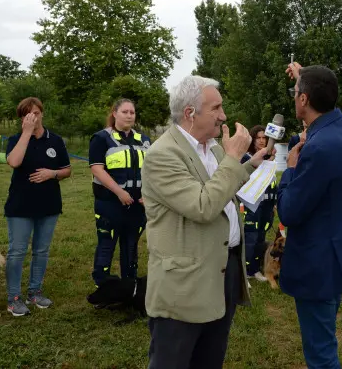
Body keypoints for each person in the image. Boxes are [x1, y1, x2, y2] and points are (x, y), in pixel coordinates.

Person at [141, 75, 269, 369]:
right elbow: (202, 205)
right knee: (173, 360)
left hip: (224, 267)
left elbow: (222, 186)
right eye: (217, 108)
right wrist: (235, 157)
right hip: (184, 285)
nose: (223, 116)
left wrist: (251, 164)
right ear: (190, 113)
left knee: (211, 357)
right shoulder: (163, 155)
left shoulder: (212, 148)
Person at [277, 63, 342, 369]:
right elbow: (325, 105)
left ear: (304, 100)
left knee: (321, 353)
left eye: (296, 93)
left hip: (318, 266)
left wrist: (289, 170)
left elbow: (289, 211)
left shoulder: (319, 149)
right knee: (326, 336)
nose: (294, 97)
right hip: (339, 254)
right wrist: (304, 76)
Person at [4, 97, 71, 317]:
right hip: (20, 206)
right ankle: (14, 298)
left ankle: (35, 292)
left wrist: (52, 174)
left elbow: (67, 169)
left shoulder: (56, 140)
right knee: (17, 251)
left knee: (41, 251)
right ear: (22, 119)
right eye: (26, 114)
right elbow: (14, 162)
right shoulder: (15, 139)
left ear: (42, 113)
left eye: (35, 113)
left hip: (48, 204)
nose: (32, 117)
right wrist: (26, 133)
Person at [89, 99, 151, 287]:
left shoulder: (145, 140)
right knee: (106, 246)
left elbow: (152, 170)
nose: (129, 115)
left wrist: (147, 195)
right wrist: (119, 192)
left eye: (132, 112)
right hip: (110, 203)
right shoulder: (101, 138)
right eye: (125, 112)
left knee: (131, 247)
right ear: (114, 113)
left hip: (137, 205)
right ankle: (103, 287)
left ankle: (129, 287)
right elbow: (97, 169)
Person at [241, 125, 278, 284]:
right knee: (251, 238)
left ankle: (254, 269)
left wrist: (274, 202)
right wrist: (267, 161)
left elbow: (271, 182)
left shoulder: (270, 159)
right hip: (252, 205)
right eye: (259, 138)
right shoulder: (246, 158)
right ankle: (244, 273)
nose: (262, 141)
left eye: (265, 138)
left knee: (261, 238)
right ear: (253, 140)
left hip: (267, 205)